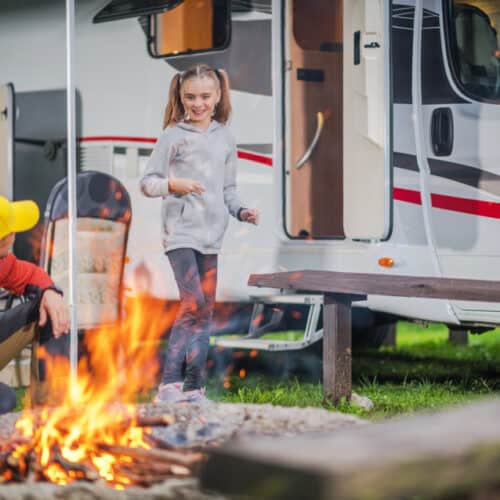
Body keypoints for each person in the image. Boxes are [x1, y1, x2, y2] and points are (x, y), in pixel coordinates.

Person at [140, 64, 259, 403]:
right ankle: (169, 386)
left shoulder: (225, 137)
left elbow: (229, 190)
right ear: (180, 96)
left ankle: (194, 388)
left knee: (205, 310)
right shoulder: (173, 136)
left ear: (218, 96)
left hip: (211, 237)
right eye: (190, 97)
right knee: (191, 303)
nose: (198, 103)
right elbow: (148, 183)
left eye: (205, 96)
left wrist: (242, 211)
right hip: (180, 234)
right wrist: (173, 185)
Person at [0, 196, 70, 413]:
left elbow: (30, 274)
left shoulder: (2, 262)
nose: (15, 235)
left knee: (50, 310)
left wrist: (50, 292)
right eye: (13, 230)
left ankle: (48, 417)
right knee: (4, 401)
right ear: (6, 238)